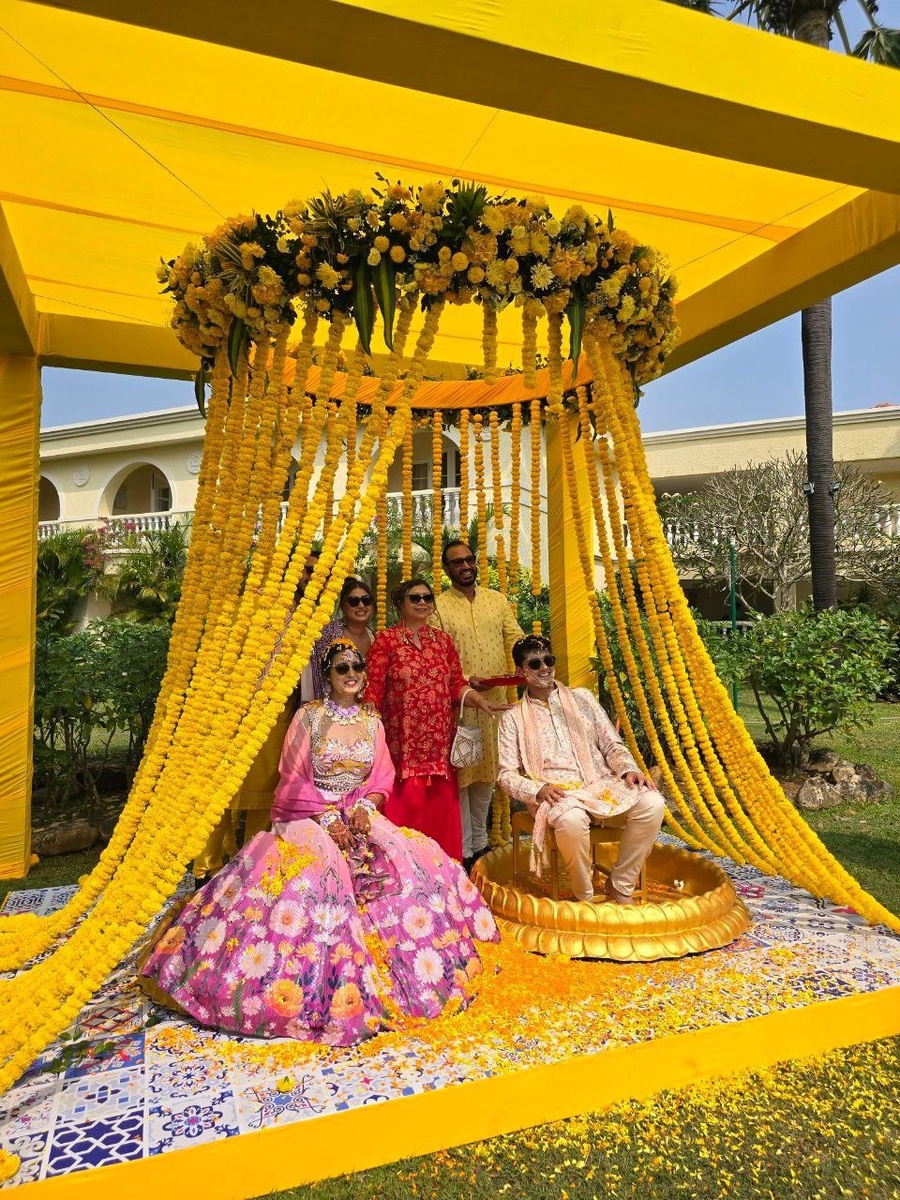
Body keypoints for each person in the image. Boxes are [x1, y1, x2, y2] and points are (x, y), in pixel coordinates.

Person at [141, 638, 499, 1045]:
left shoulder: (372, 721)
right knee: (322, 875)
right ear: (327, 675)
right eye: (342, 668)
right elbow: (292, 778)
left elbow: (382, 776)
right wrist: (328, 817)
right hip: (308, 813)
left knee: (415, 859)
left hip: (359, 812)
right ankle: (311, 985)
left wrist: (364, 807)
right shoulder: (307, 717)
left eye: (357, 668)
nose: (351, 675)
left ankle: (420, 971)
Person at [497, 634, 666, 904]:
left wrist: (627, 770)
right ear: (521, 671)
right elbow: (506, 774)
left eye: (549, 660)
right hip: (558, 794)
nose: (544, 668)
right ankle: (584, 895)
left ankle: (620, 884)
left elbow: (611, 744)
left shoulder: (583, 699)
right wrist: (538, 789)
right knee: (572, 821)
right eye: (535, 664)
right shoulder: (512, 718)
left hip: (599, 783)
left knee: (653, 803)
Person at [191, 549, 321, 884]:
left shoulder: (307, 611)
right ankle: (206, 870)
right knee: (222, 792)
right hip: (239, 713)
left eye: (318, 572)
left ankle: (251, 865)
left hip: (285, 712)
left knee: (268, 791)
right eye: (307, 570)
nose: (311, 577)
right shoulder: (254, 605)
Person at [365, 578, 507, 860]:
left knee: (440, 824)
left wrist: (479, 701)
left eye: (427, 598)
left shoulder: (442, 641)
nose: (422, 603)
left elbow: (456, 684)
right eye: (415, 598)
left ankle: (445, 873)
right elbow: (374, 687)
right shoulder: (387, 641)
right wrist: (367, 724)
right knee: (404, 825)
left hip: (439, 749)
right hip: (403, 749)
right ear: (400, 604)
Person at [430, 540, 523, 872]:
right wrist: (469, 680)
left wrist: (527, 661)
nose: (466, 566)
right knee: (462, 775)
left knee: (487, 773)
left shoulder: (497, 600)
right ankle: (464, 850)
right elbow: (437, 657)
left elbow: (514, 637)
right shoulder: (438, 607)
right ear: (447, 569)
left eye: (469, 560)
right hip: (457, 705)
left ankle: (480, 844)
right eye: (457, 562)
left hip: (495, 704)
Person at [310, 577, 376, 699]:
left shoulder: (374, 636)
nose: (361, 605)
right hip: (333, 705)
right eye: (353, 601)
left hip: (368, 705)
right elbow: (318, 677)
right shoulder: (328, 633)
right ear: (343, 606)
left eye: (366, 600)